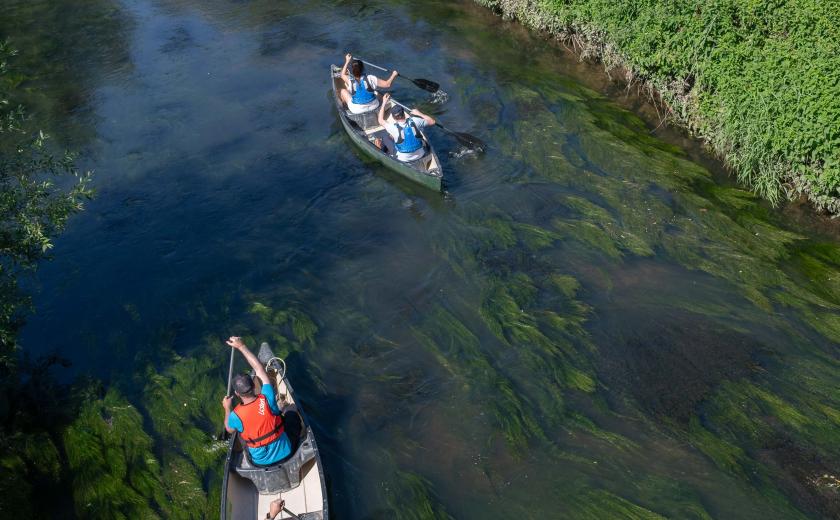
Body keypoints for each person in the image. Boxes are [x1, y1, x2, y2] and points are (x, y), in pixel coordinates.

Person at [222, 336, 292, 466]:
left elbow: (229, 429)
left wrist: (227, 408)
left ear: (237, 393)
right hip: (286, 453)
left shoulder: (235, 415)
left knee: (241, 435)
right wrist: (241, 346)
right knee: (291, 413)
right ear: (254, 386)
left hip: (260, 463)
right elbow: (259, 368)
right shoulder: (267, 396)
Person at [378, 92, 436, 162]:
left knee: (385, 137)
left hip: (404, 159)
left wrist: (384, 103)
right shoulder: (415, 120)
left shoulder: (392, 127)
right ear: (404, 114)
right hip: (421, 155)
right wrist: (419, 113)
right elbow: (432, 122)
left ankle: (382, 153)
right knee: (422, 140)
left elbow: (380, 120)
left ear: (393, 118)